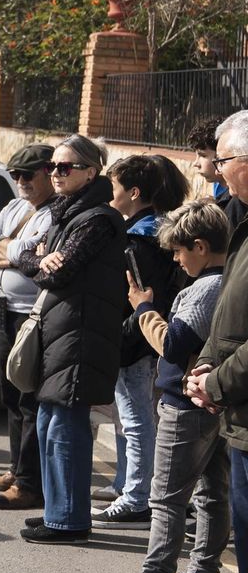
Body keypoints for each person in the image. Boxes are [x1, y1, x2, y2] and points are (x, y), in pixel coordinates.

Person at [94, 200, 229, 573]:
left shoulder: (204, 289)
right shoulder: (233, 281)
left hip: (185, 403)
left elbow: (173, 346)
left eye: (179, 250)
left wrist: (143, 309)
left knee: (167, 499)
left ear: (201, 246)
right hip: (218, 402)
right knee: (212, 494)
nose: (175, 258)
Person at [14, 134, 127, 544]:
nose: (55, 174)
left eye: (65, 168)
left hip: (81, 335)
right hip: (59, 332)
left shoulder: (97, 218)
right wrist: (39, 257)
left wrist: (41, 261)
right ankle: (57, 511)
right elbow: (26, 254)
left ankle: (68, 520)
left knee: (65, 428)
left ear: (91, 172)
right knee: (48, 423)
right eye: (52, 167)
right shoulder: (66, 212)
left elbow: (57, 273)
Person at [184, 111, 248, 573]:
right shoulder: (246, 222)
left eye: (224, 161)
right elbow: (230, 311)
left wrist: (219, 380)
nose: (218, 174)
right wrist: (205, 366)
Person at [99, 153, 190, 523]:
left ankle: (137, 495)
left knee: (136, 419)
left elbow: (141, 297)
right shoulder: (146, 230)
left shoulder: (139, 239)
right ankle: (126, 483)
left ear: (134, 192)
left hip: (136, 342)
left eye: (115, 187)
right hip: (141, 339)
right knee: (130, 417)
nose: (110, 193)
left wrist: (122, 340)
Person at [0, 144, 56, 508]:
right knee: (9, 394)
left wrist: (7, 250)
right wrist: (12, 252)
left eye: (28, 175)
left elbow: (33, 259)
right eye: (16, 175)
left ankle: (29, 483)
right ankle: (16, 467)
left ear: (48, 173)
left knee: (28, 397)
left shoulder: (53, 213)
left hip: (31, 314)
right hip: (5, 308)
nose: (21, 182)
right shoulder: (14, 207)